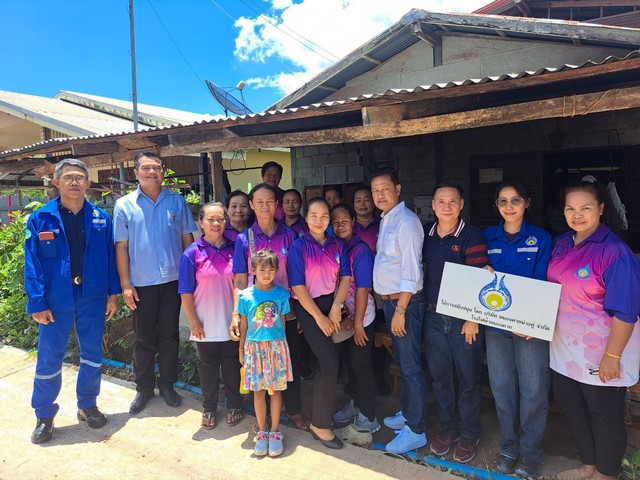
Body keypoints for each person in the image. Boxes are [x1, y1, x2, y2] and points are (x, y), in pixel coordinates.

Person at [549, 179, 640, 480]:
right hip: (563, 349)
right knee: (573, 409)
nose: (577, 215)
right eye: (570, 209)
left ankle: (606, 474)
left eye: (585, 208)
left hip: (602, 351)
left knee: (604, 415)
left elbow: (626, 311)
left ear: (601, 209)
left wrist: (612, 356)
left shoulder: (616, 253)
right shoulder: (562, 243)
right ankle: (588, 466)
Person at [25, 158, 120, 444]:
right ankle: (44, 415)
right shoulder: (41, 218)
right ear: (56, 182)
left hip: (92, 295)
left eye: (80, 177)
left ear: (88, 183)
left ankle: (87, 405)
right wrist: (38, 302)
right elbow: (32, 263)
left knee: (92, 353)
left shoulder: (100, 218)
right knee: (50, 356)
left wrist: (112, 294)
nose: (74, 182)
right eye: (68, 177)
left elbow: (110, 258)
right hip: (56, 298)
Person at [113, 152, 196, 415]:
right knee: (143, 338)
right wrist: (125, 284)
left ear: (162, 171)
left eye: (156, 167)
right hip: (141, 284)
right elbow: (121, 246)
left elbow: (187, 241)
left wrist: (192, 277)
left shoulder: (176, 201)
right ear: (135, 172)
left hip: (173, 281)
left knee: (170, 335)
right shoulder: (124, 205)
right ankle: (144, 387)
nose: (152, 172)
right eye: (146, 168)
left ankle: (168, 385)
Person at [483, 181, 553, 476]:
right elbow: (476, 280)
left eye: (515, 200)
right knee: (501, 388)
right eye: (503, 201)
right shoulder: (487, 237)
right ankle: (509, 446)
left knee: (534, 391)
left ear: (527, 203)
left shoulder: (541, 238)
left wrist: (529, 320)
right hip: (496, 328)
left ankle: (531, 453)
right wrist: (480, 273)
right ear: (496, 205)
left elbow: (542, 282)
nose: (509, 206)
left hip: (529, 328)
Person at [229, 183, 308, 431]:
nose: (265, 206)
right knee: (259, 366)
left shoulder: (289, 235)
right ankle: (261, 418)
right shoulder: (244, 239)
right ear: (252, 205)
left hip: (286, 309)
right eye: (260, 202)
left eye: (270, 201)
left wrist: (301, 310)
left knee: (289, 359)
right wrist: (236, 313)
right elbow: (240, 279)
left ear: (277, 205)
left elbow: (297, 273)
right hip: (256, 314)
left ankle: (294, 411)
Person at [423, 183, 488, 464]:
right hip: (433, 315)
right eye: (441, 201)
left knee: (468, 379)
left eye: (452, 201)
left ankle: (470, 433)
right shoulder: (426, 233)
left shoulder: (471, 235)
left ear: (461, 204)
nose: (446, 206)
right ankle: (449, 427)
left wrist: (472, 318)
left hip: (463, 319)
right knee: (440, 377)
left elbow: (480, 277)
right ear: (433, 205)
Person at [370, 168, 427, 455]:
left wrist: (401, 310)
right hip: (393, 302)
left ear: (398, 188)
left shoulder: (406, 222)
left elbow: (411, 271)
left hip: (405, 303)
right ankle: (408, 412)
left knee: (411, 366)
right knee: (404, 363)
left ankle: (416, 429)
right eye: (375, 190)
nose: (380, 195)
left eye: (385, 188)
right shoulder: (387, 219)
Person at [288, 197, 351, 449]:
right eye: (314, 215)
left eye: (324, 216)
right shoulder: (299, 246)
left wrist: (336, 307)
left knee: (330, 362)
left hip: (332, 305)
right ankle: (320, 424)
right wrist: (318, 317)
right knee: (329, 363)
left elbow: (345, 277)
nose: (319, 220)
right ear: (306, 218)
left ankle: (321, 415)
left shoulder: (337, 244)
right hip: (308, 308)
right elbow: (297, 286)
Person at [178, 202, 243, 430]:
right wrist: (193, 321)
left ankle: (235, 404)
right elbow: (185, 292)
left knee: (232, 364)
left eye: (220, 219)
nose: (216, 223)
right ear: (200, 223)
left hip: (232, 319)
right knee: (208, 365)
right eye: (211, 219)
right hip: (204, 322)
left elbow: (240, 283)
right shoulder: (191, 253)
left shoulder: (235, 248)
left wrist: (237, 314)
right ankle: (209, 407)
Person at [330, 204, 380, 433]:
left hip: (362, 316)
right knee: (350, 365)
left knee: (361, 366)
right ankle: (355, 405)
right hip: (344, 316)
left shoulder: (360, 250)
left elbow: (362, 289)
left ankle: (369, 416)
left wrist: (358, 324)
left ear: (353, 221)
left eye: (344, 221)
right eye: (335, 222)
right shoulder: (335, 248)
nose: (340, 226)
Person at [238, 249, 293, 457]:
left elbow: (283, 323)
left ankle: (275, 431)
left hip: (276, 348)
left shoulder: (282, 295)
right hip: (254, 348)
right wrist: (241, 349)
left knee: (276, 390)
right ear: (253, 270)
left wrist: (282, 349)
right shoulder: (245, 296)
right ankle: (262, 431)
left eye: (271, 270)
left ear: (276, 271)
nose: (267, 274)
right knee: (258, 391)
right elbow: (244, 325)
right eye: (262, 270)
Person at [353, 186, 380, 254]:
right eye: (358, 201)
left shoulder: (383, 223)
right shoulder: (349, 225)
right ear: (353, 205)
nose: (362, 204)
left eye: (366, 200)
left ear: (374, 203)